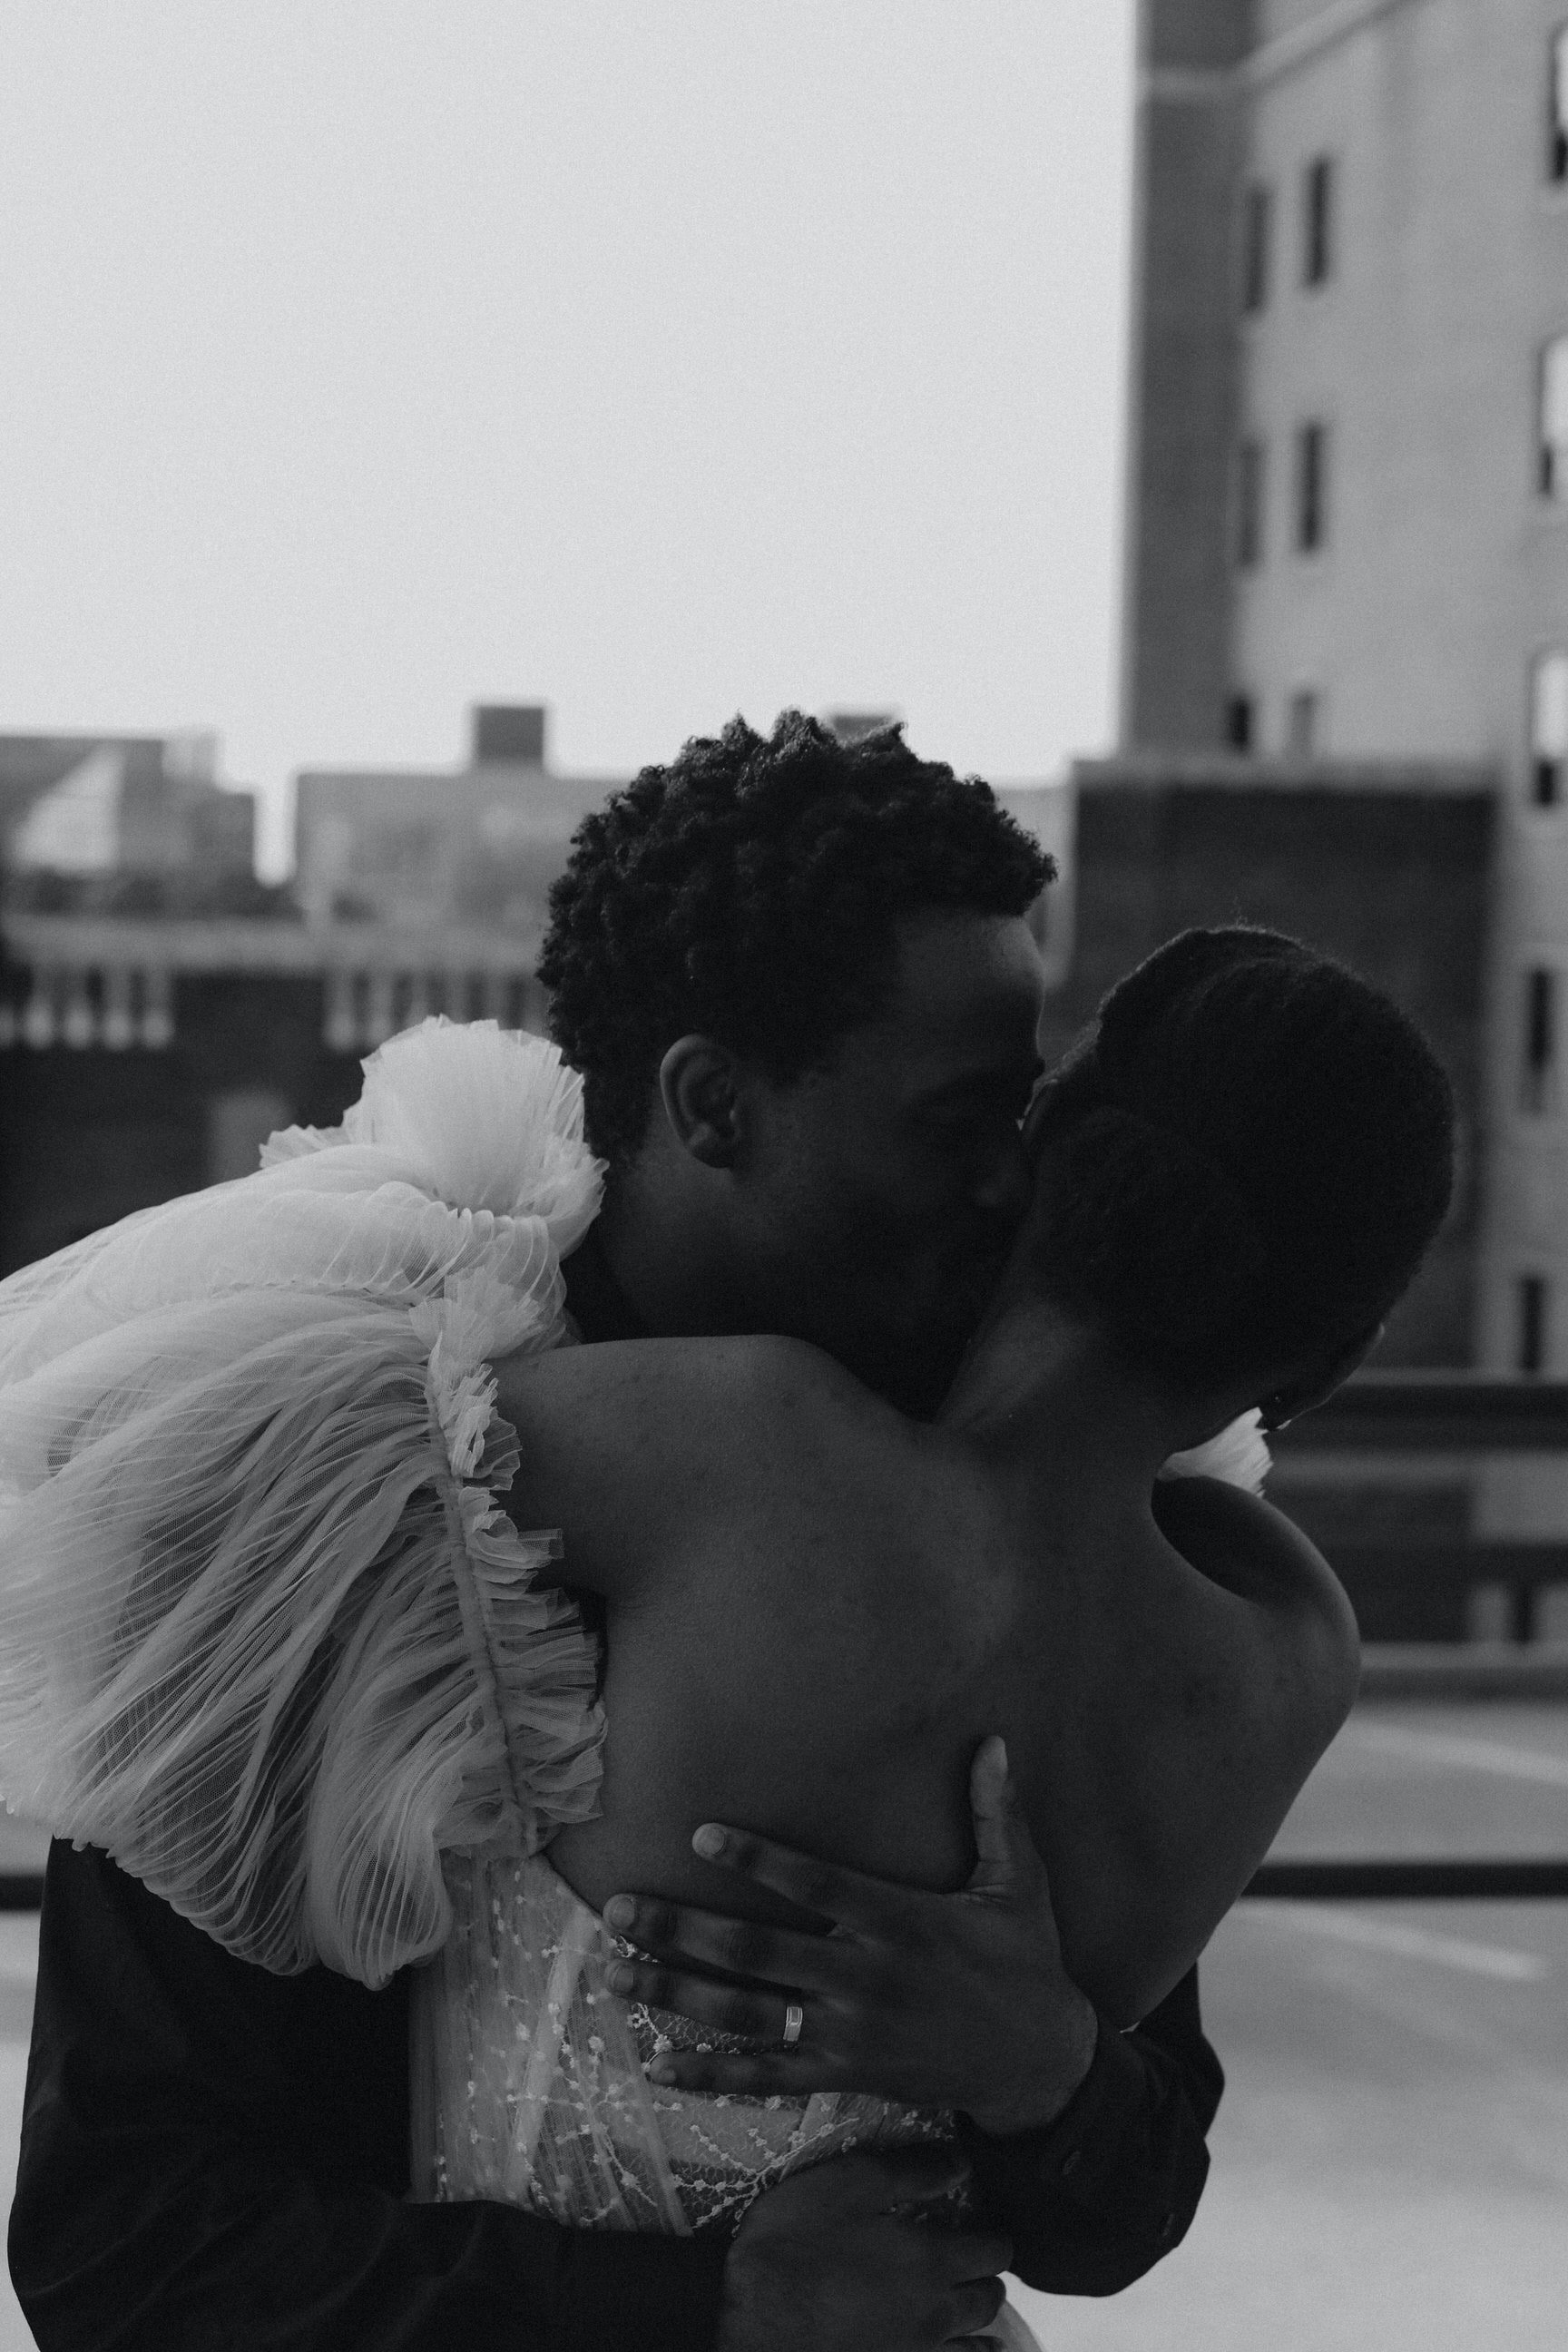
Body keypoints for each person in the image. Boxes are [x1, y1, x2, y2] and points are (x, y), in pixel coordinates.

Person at [0, 717, 1375, 2348]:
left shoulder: (1017, 1460)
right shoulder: (327, 1474)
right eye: (959, 1125)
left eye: (1032, 1124)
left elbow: (1128, 2201)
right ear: (715, 1105)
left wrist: (1051, 2076)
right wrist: (691, 2310)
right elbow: (122, 2243)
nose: (1018, 1195)